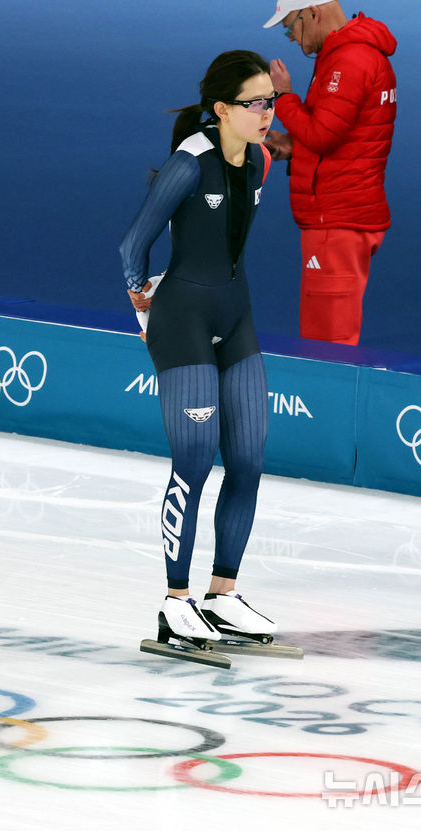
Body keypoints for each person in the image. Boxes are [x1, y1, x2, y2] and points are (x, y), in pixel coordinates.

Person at [119, 50, 278, 654]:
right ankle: (175, 601)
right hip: (181, 320)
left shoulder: (260, 160)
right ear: (222, 110)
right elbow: (132, 245)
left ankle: (222, 595)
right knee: (192, 461)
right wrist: (142, 307)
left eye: (270, 101)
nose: (266, 112)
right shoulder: (188, 164)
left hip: (236, 316)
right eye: (254, 103)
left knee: (248, 458)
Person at [263, 0, 397, 345]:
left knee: (327, 345)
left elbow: (323, 135)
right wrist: (295, 147)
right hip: (346, 218)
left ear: (312, 13)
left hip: (337, 222)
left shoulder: (348, 61)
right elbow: (345, 138)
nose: (291, 39)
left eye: (290, 27)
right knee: (328, 337)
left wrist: (283, 97)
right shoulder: (350, 56)